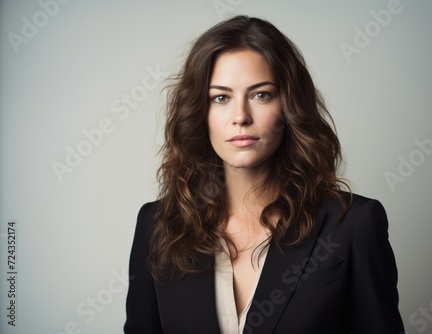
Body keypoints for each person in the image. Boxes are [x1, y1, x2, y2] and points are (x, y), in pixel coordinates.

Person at [124, 15, 405, 334]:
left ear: (288, 107)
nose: (240, 116)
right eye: (221, 98)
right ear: (200, 114)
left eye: (261, 95)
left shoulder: (353, 224)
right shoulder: (157, 226)